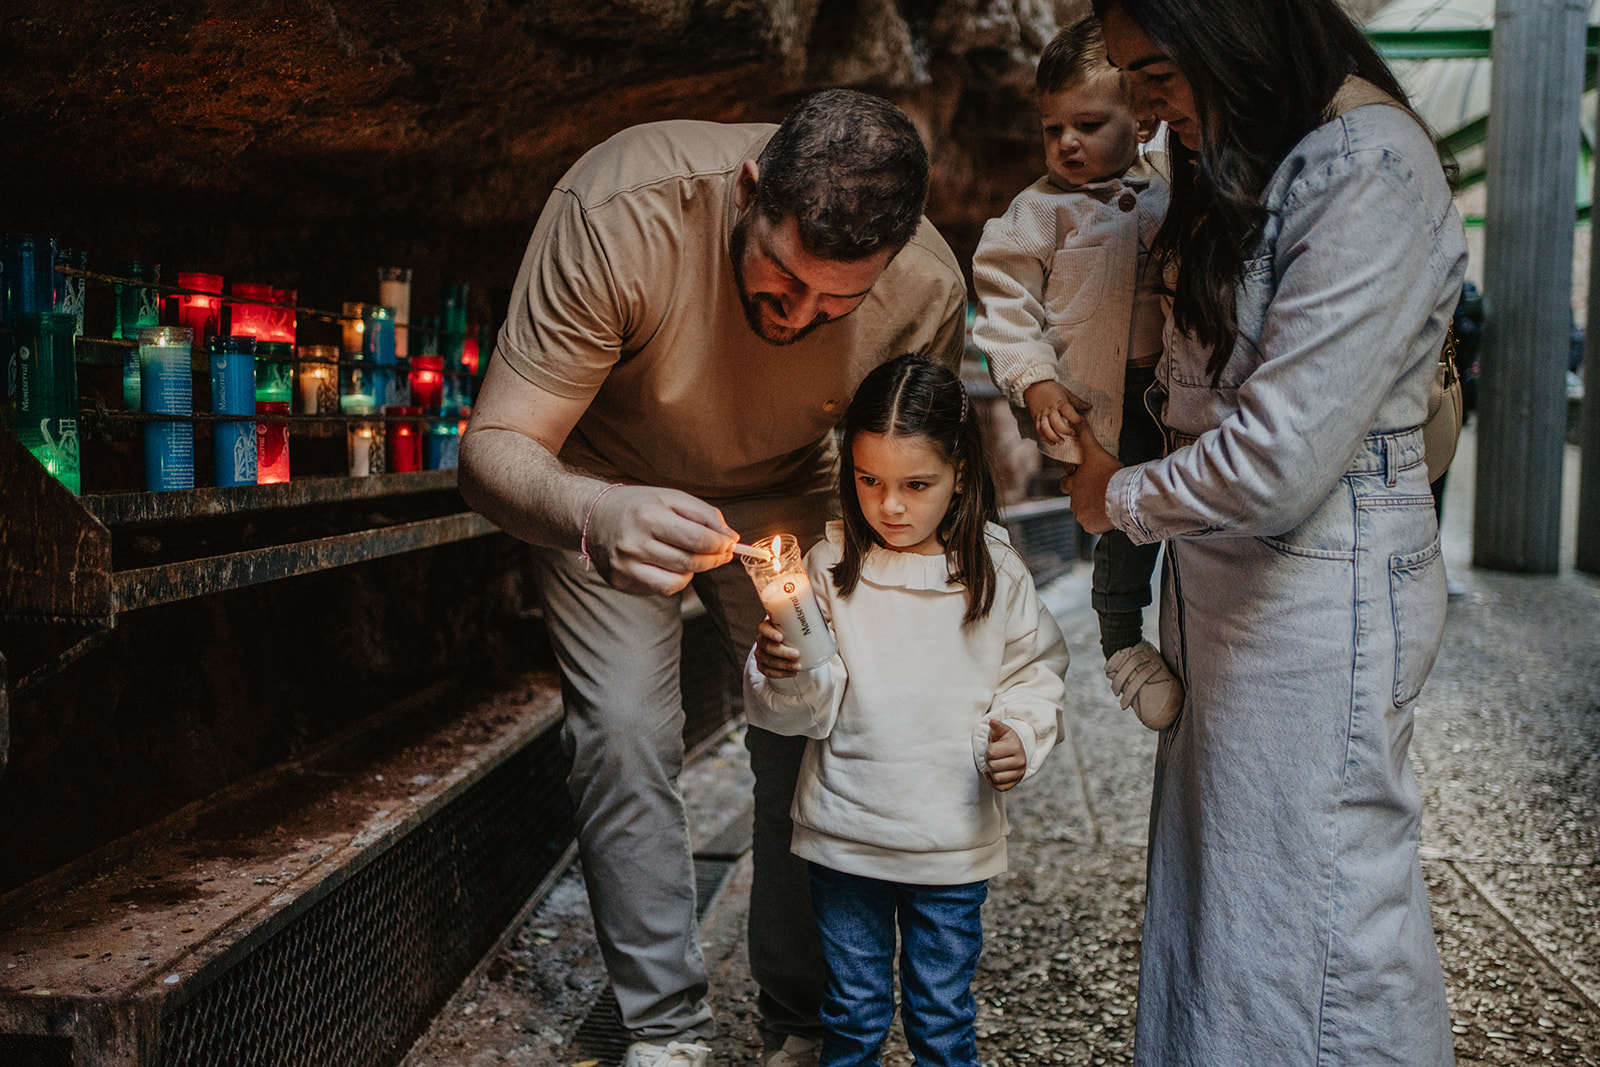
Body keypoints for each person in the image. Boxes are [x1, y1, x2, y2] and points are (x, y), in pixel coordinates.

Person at [458, 90, 968, 1067]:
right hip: (598, 480)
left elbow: (904, 482)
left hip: (789, 487)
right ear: (748, 192)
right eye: (783, 280)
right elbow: (494, 450)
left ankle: (803, 1016)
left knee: (820, 723)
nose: (799, 317)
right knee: (624, 729)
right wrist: (594, 514)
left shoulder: (926, 287)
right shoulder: (619, 209)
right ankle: (663, 1027)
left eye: (837, 303)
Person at [1062, 0, 1468, 1063]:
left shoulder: (1365, 167)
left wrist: (1116, 496)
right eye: (1124, 77)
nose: (1142, 109)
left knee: (1321, 920)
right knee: (1231, 903)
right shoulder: (1262, 153)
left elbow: (1277, 460)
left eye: (1155, 72)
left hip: (1316, 590)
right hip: (1239, 579)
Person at [743, 354, 1069, 1067]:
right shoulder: (827, 572)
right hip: (845, 835)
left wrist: (1020, 728)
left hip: (950, 844)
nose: (890, 505)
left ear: (960, 473)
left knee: (943, 1019)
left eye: (916, 484)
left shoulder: (993, 570)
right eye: (870, 481)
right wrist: (784, 669)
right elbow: (808, 708)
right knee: (853, 1018)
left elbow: (1036, 669)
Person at [971, 16, 1180, 730]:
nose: (1065, 143)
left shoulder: (1173, 196)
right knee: (1120, 528)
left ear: (1144, 121)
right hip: (1095, 404)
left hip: (1177, 397)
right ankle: (1122, 647)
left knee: (1183, 512)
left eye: (1088, 124)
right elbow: (1004, 306)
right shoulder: (1036, 214)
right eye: (1051, 127)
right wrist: (1036, 380)